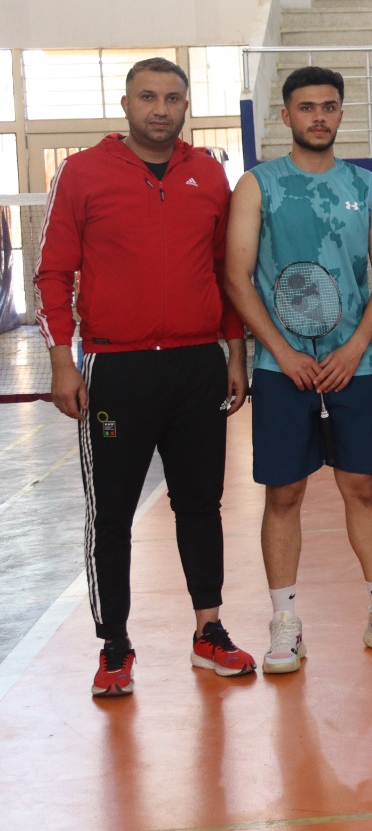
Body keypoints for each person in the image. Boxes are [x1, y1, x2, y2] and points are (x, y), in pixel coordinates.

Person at [36, 57, 256, 697]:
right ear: (127, 104)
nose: (161, 109)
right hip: (117, 369)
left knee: (201, 505)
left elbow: (225, 271)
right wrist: (62, 359)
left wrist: (234, 353)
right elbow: (53, 273)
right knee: (111, 513)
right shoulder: (82, 172)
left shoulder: (208, 174)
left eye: (172, 98)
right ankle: (114, 645)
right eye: (148, 97)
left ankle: (209, 630)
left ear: (186, 106)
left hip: (197, 365)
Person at [224, 65, 372, 672]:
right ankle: (284, 621)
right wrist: (282, 352)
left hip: (352, 366)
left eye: (330, 106)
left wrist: (356, 346)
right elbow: (237, 276)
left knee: (362, 487)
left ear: (341, 113)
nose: (319, 117)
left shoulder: (368, 186)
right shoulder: (257, 185)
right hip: (279, 366)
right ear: (286, 115)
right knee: (284, 493)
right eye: (308, 107)